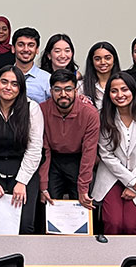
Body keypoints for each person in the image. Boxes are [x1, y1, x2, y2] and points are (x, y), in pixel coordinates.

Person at [91, 72, 136, 235]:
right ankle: (110, 252)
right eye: (114, 91)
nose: (120, 95)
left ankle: (132, 253)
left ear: (133, 90)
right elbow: (106, 154)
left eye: (124, 89)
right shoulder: (102, 117)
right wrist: (131, 181)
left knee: (131, 225)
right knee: (113, 223)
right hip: (112, 175)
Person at [0, 65, 44, 234]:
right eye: (4, 82)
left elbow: (34, 149)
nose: (8, 87)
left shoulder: (32, 108)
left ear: (21, 88)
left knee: (24, 226)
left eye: (14, 84)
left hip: (23, 172)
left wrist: (21, 182)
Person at [39, 69, 100, 210]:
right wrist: (43, 186)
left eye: (68, 89)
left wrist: (83, 188)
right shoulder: (42, 110)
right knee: (48, 203)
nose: (63, 94)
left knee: (83, 202)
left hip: (78, 159)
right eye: (57, 90)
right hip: (52, 159)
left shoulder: (89, 113)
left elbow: (89, 152)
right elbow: (44, 150)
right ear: (51, 91)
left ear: (76, 91)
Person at [12, 27, 51, 103]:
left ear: (37, 50)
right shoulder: (2, 76)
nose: (26, 49)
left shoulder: (47, 79)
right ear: (13, 48)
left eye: (31, 45)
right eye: (21, 45)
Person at [80, 41, 120, 109]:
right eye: (97, 59)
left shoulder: (124, 83)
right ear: (92, 61)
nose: (103, 62)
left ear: (114, 60)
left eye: (107, 58)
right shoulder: (81, 85)